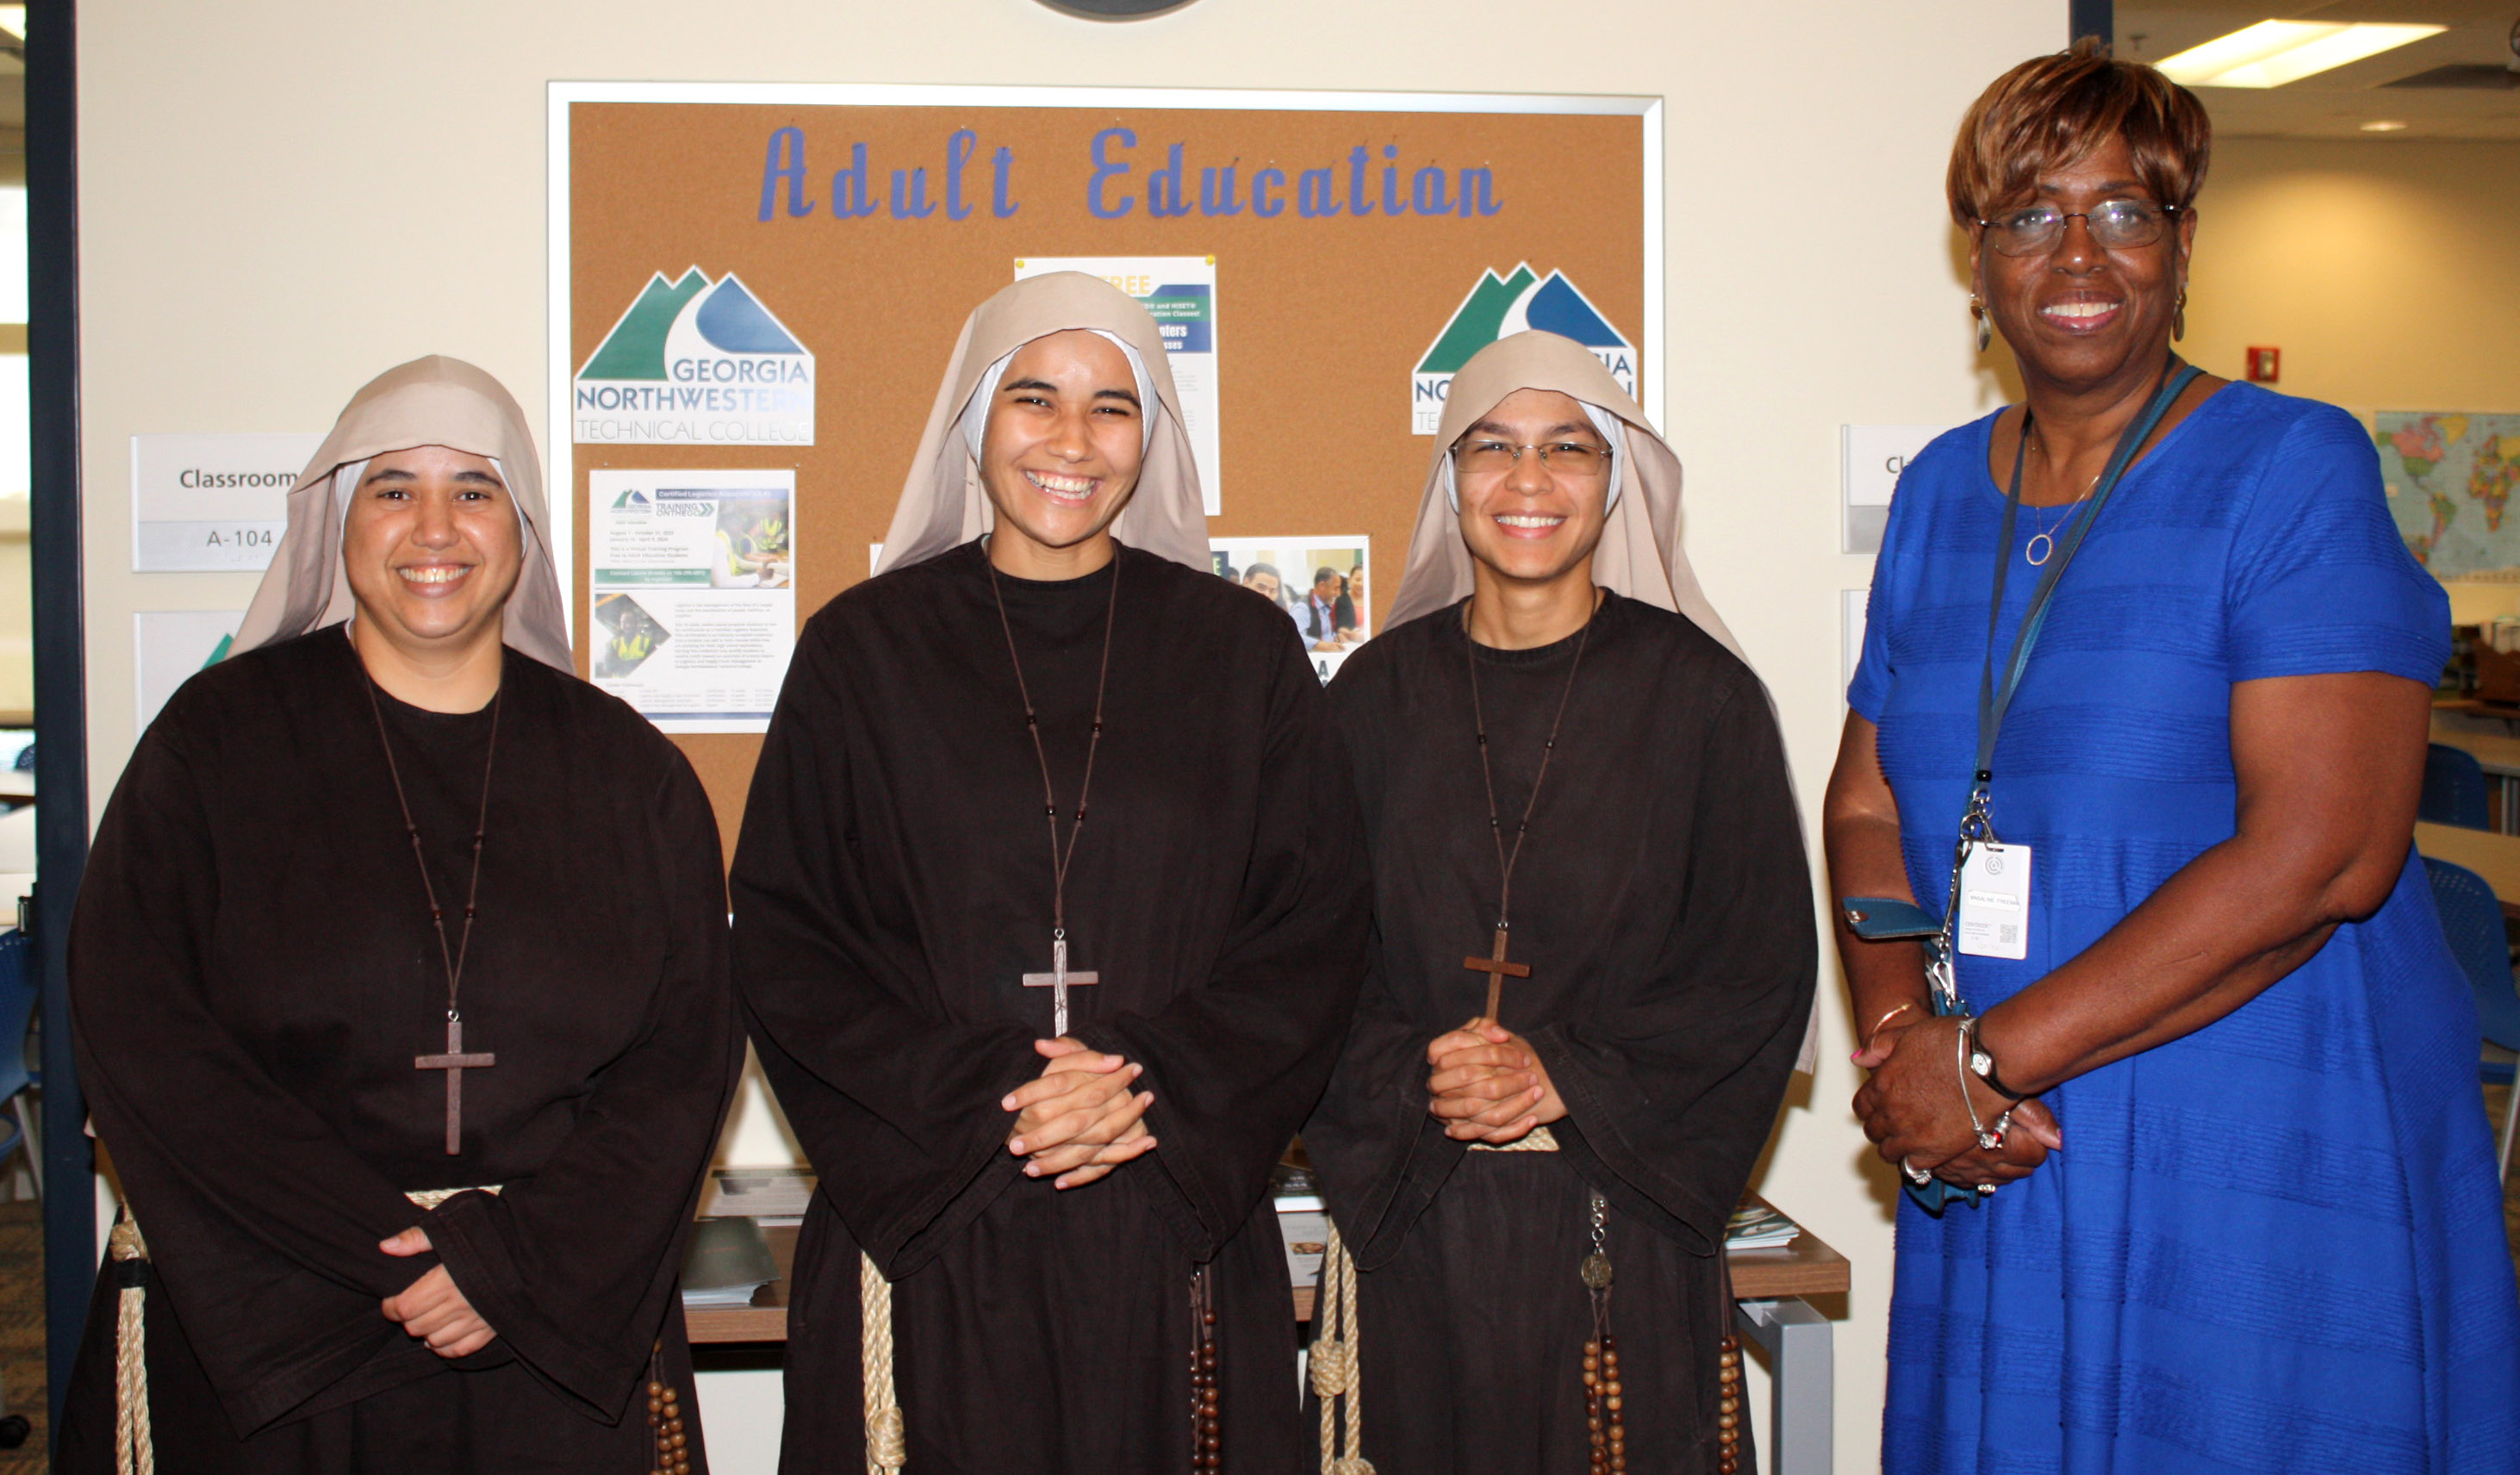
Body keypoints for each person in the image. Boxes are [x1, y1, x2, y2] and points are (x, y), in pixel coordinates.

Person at [1829, 42, 2520, 1474]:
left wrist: (1985, 1056)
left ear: (2184, 243)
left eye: (2122, 210)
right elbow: (1870, 796)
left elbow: (2327, 851)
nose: (2076, 250)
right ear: (1981, 260)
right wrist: (1907, 1048)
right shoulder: (1943, 493)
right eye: (2029, 215)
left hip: (2247, 1117)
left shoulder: (2290, 468)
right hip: (1998, 1145)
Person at [732, 271, 1370, 1473]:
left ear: (1154, 436)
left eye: (1112, 407)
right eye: (1035, 399)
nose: (1072, 442)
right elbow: (787, 935)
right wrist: (995, 1097)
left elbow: (1314, 926)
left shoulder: (1240, 651)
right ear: (975, 421)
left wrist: (1141, 1081)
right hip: (935, 1209)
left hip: (1164, 1202)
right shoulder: (862, 651)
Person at [60, 356, 740, 1472]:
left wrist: (507, 1264)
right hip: (279, 1329)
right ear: (338, 521)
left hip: (545, 1331)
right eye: (393, 489)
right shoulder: (216, 744)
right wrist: (396, 1260)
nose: (435, 527)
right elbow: (144, 1037)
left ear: (520, 530)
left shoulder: (627, 773)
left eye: (473, 489)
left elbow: (683, 1061)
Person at [1303, 330, 1814, 1475]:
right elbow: (1302, 957)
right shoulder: (1369, 701)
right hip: (1416, 1223)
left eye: (1566, 450)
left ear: (1614, 480)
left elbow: (1756, 973)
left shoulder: (1704, 702)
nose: (1528, 482)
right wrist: (1420, 1069)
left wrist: (1557, 1074)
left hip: (1618, 1222)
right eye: (1492, 448)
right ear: (1451, 480)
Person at [1295, 567, 1351, 652]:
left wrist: (1335, 636)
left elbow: (1325, 634)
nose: (1338, 594)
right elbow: (1294, 637)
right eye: (1335, 588)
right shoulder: (1302, 608)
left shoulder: (1325, 607)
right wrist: (1321, 645)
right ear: (1322, 586)